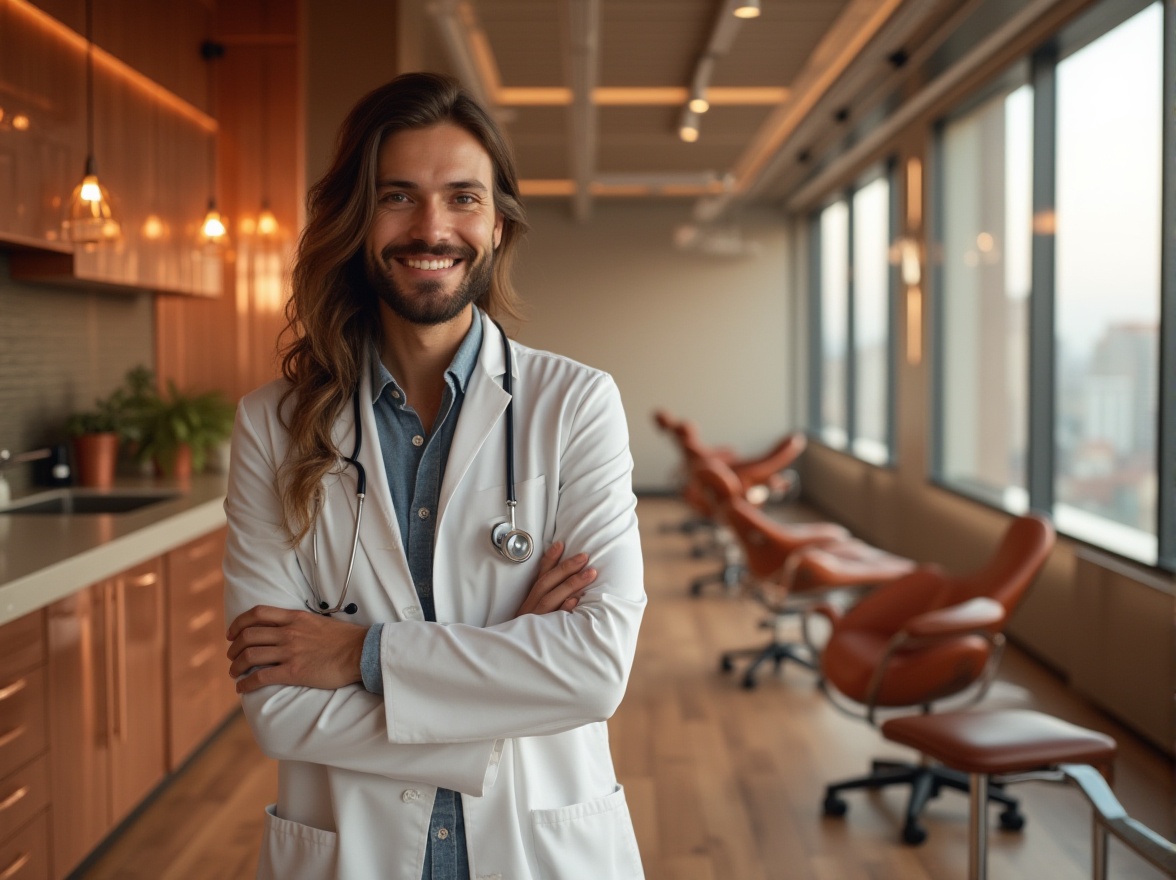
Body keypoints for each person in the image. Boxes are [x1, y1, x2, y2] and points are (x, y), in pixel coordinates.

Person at [221, 71, 646, 880]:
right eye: (398, 197)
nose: (431, 227)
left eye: (461, 198)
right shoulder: (272, 426)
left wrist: (360, 655)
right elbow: (277, 709)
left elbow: (593, 672)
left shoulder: (576, 405)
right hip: (357, 850)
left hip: (540, 849)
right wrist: (508, 666)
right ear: (355, 218)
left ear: (496, 223)